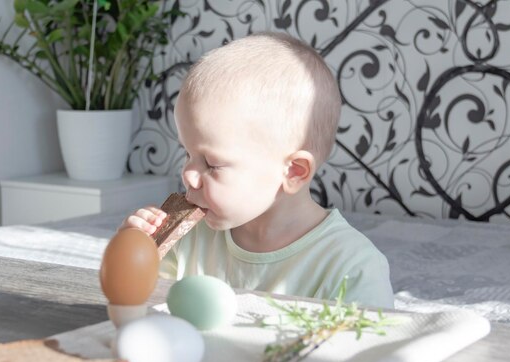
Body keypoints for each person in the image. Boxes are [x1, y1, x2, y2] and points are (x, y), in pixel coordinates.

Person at [121, 32, 394, 308]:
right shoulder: (186, 240)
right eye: (188, 153)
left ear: (294, 172)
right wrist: (134, 253)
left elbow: (369, 348)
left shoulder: (351, 266)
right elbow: (132, 305)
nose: (188, 174)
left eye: (212, 163)